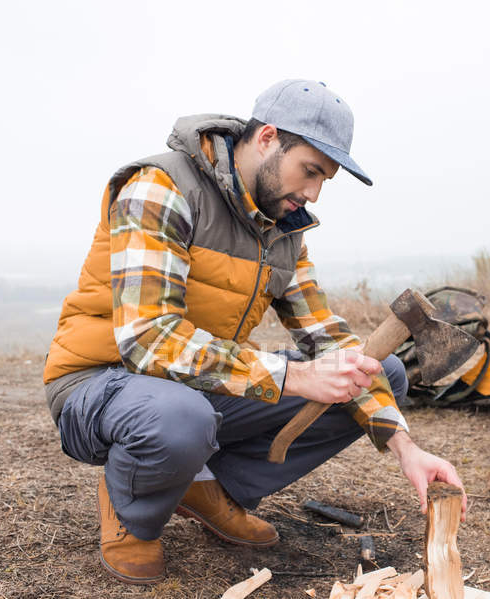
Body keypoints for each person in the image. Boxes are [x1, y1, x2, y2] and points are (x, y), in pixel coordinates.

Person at [43, 79, 467, 585]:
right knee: (181, 415)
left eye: (324, 181)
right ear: (267, 138)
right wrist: (295, 378)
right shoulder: (161, 187)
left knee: (378, 374)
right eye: (309, 171)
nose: (312, 193)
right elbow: (148, 338)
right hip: (101, 384)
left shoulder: (283, 228)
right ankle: (131, 506)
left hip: (192, 388)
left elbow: (328, 338)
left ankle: (207, 488)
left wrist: (404, 446)